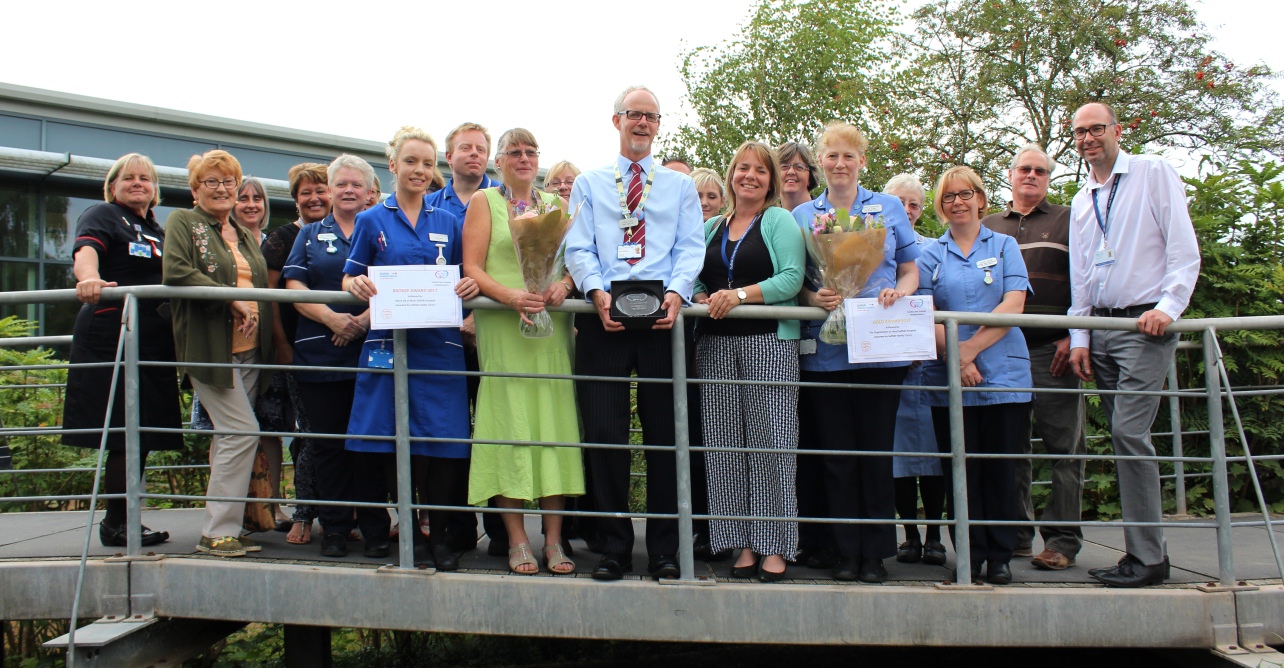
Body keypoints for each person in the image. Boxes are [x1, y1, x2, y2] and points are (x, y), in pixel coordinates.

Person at [564, 85, 704, 581]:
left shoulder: (679, 187)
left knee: (667, 434)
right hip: (604, 317)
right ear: (616, 121)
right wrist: (596, 293)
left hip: (663, 317)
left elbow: (690, 246)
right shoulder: (590, 184)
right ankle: (613, 546)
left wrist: (679, 293)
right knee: (604, 434)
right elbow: (578, 247)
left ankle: (665, 548)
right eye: (633, 115)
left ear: (658, 125)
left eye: (650, 116)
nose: (641, 123)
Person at [1067, 102, 1200, 588]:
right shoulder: (1083, 198)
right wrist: (1080, 335)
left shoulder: (1151, 172)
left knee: (1128, 432)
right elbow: (1081, 276)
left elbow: (1184, 249)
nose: (1087, 139)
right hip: (1103, 330)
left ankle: (1149, 559)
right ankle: (1138, 553)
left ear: (1117, 130)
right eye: (1079, 132)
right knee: (1122, 438)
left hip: (1144, 326)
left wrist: (1168, 307)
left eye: (1096, 129)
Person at [343, 126, 481, 570]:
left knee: (440, 446)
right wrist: (356, 283)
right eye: (411, 162)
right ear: (393, 165)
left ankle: (439, 538)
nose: (419, 171)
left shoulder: (448, 221)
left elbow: (470, 274)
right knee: (388, 440)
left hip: (439, 348)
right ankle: (407, 534)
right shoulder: (371, 220)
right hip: (388, 345)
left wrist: (470, 286)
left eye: (427, 163)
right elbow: (348, 276)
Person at [791, 121, 920, 582]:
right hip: (825, 353)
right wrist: (813, 299)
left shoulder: (886, 208)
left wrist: (900, 293)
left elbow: (909, 269)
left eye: (849, 156)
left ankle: (875, 554)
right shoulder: (803, 216)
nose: (840, 164)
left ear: (862, 160)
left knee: (874, 454)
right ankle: (846, 552)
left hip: (880, 348)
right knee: (837, 458)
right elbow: (797, 282)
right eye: (831, 156)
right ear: (820, 163)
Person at [462, 128, 585, 575]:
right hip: (504, 323)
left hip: (550, 328)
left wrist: (563, 285)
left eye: (531, 152)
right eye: (514, 152)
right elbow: (472, 266)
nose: (523, 158)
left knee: (553, 425)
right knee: (508, 423)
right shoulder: (484, 202)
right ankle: (517, 539)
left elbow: (575, 262)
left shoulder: (554, 206)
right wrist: (512, 297)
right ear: (499, 162)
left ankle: (553, 541)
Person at [692, 141, 805, 582]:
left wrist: (737, 295)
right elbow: (697, 274)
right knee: (725, 449)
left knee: (771, 446)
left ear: (771, 180)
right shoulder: (713, 226)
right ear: (731, 175)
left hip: (767, 344)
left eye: (760, 170)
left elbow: (792, 278)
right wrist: (703, 294)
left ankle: (775, 545)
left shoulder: (777, 220)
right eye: (742, 168)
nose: (750, 176)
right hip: (715, 346)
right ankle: (741, 542)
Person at [918, 165, 1031, 585]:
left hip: (1002, 378)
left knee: (999, 470)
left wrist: (968, 352)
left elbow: (1013, 305)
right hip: (949, 380)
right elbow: (924, 315)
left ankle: (1000, 557)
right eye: (948, 197)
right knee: (958, 472)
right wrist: (959, 361)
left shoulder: (1004, 246)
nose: (958, 202)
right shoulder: (930, 254)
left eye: (966, 194)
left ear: (982, 199)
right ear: (941, 207)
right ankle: (967, 556)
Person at [62, 153, 182, 547]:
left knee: (141, 433)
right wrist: (90, 279)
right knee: (122, 432)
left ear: (155, 189)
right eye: (127, 178)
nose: (137, 183)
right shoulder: (104, 214)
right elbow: (86, 253)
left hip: (152, 339)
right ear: (112, 186)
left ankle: (126, 519)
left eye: (145, 178)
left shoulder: (157, 230)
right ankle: (117, 523)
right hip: (113, 331)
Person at [163, 149, 275, 558]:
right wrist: (231, 299)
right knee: (242, 432)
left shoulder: (244, 233)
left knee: (229, 436)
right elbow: (175, 271)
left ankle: (228, 524)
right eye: (212, 182)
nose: (223, 189)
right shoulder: (184, 221)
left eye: (229, 182)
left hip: (248, 351)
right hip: (210, 349)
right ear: (195, 189)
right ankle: (216, 532)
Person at [981, 144, 1085, 570]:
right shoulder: (988, 225)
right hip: (1001, 352)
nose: (1031, 176)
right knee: (1010, 448)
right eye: (1024, 169)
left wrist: (1076, 334)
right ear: (1010, 174)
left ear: (1048, 178)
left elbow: (1087, 280)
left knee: (1065, 449)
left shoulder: (1068, 220)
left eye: (1040, 171)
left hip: (1051, 350)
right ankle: (1016, 534)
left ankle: (1062, 541)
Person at [283, 154, 385, 559]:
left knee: (371, 446)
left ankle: (376, 529)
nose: (347, 191)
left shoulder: (382, 231)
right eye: (339, 184)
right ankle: (336, 529)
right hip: (320, 356)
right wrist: (331, 317)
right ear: (330, 189)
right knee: (329, 447)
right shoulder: (309, 234)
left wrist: (359, 321)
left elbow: (398, 282)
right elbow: (293, 282)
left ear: (367, 191)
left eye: (355, 185)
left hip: (372, 353)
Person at [426, 121, 503, 554]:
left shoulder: (504, 201)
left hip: (490, 335)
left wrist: (478, 317)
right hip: (439, 340)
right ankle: (454, 527)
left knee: (491, 428)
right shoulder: (429, 206)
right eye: (465, 148)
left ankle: (496, 528)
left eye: (480, 148)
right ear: (449, 156)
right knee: (449, 434)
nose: (473, 154)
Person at [261, 162, 331, 546]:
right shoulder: (282, 238)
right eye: (306, 192)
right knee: (309, 434)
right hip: (299, 349)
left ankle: (341, 512)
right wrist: (282, 345)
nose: (315, 197)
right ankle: (304, 513)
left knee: (339, 436)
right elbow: (272, 301)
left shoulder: (346, 231)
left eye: (321, 189)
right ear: (295, 199)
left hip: (343, 347)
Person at [884, 173, 947, 568]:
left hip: (932, 365)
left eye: (915, 204)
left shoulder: (935, 250)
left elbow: (945, 299)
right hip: (893, 368)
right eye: (900, 203)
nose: (907, 210)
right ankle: (908, 534)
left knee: (935, 454)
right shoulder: (872, 248)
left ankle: (936, 535)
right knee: (900, 457)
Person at [775, 141, 820, 213]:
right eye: (784, 167)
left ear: (811, 176)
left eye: (799, 167)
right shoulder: (767, 220)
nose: (791, 172)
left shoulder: (828, 217)